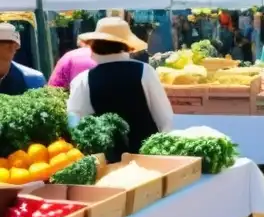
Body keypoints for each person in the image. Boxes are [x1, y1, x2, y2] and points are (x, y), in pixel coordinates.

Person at [67, 17, 174, 152]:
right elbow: (165, 118)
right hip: (149, 160)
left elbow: (75, 123)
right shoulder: (145, 71)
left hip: (108, 164)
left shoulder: (82, 80)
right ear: (126, 46)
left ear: (93, 45)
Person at [0, 23, 46, 95]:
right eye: (6, 42)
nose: (11, 47)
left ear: (15, 47)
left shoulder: (33, 79)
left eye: (12, 43)